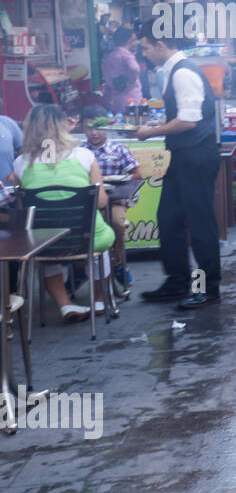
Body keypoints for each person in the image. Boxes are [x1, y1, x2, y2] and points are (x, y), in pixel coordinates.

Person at [135, 31, 222, 309]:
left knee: (199, 223)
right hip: (183, 154)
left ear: (160, 44)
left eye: (146, 47)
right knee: (168, 218)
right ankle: (177, 281)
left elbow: (188, 120)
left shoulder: (183, 72)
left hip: (196, 155)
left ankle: (206, 288)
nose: (144, 53)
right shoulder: (173, 70)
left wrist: (152, 132)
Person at [8, 104, 115, 321]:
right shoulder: (84, 156)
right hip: (86, 239)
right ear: (62, 126)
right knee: (101, 242)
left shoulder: (20, 163)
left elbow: (20, 203)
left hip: (44, 242)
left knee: (47, 251)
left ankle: (65, 304)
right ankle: (99, 299)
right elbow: (102, 202)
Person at [81, 104, 142, 296]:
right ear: (82, 128)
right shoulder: (80, 152)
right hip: (89, 202)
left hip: (114, 200)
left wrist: (122, 184)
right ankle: (78, 269)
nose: (94, 133)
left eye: (98, 128)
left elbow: (137, 174)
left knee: (117, 222)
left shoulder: (119, 149)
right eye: (89, 128)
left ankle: (117, 263)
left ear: (106, 127)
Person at [100, 26, 143, 115]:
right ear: (130, 41)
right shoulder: (126, 56)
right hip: (131, 100)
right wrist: (132, 81)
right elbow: (135, 68)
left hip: (113, 100)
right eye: (135, 39)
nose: (136, 42)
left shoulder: (109, 57)